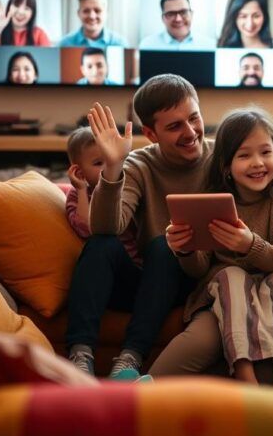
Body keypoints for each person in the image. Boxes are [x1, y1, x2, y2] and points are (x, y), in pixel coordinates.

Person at [66, 75, 211, 379]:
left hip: (199, 282)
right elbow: (106, 227)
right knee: (103, 244)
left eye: (193, 119)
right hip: (152, 282)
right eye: (174, 127)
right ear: (151, 134)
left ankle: (131, 357)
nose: (190, 133)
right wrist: (114, 167)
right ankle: (79, 357)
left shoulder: (224, 157)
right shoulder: (138, 164)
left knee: (164, 244)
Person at [158, 108, 273, 385]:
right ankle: (132, 397)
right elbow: (198, 269)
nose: (258, 163)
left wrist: (251, 245)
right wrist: (185, 249)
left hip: (272, 298)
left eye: (265, 152)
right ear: (226, 165)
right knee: (230, 279)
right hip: (225, 298)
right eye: (244, 155)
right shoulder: (213, 200)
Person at [63, 126, 142, 379]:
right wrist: (84, 190)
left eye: (113, 160)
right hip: (107, 287)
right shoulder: (77, 196)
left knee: (105, 242)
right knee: (100, 242)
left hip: (138, 279)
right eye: (99, 163)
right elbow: (88, 228)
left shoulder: (128, 186)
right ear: (78, 170)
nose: (108, 166)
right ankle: (80, 355)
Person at [139, 0, 212, 50]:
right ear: (163, 18)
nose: (178, 19)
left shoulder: (209, 45)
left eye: (183, 12)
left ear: (191, 14)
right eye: (171, 14)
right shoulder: (147, 45)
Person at [57, 0, 128, 47]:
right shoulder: (63, 44)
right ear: (78, 14)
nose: (92, 16)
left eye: (97, 11)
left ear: (106, 14)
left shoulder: (120, 44)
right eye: (86, 11)